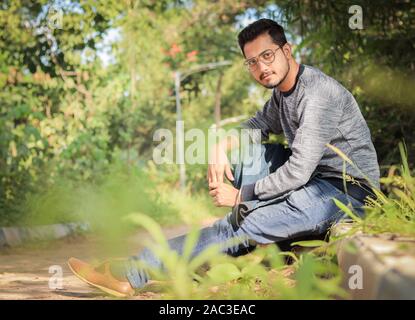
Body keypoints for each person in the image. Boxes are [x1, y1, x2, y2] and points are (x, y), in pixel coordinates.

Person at [68, 18, 380, 297]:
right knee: (246, 156)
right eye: (252, 62)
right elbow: (257, 126)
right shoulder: (283, 93)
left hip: (346, 192)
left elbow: (298, 171)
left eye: (267, 56)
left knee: (239, 222)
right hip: (316, 181)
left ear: (287, 51)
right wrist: (220, 146)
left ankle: (133, 273)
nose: (261, 68)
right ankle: (278, 244)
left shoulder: (318, 94)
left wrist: (240, 195)